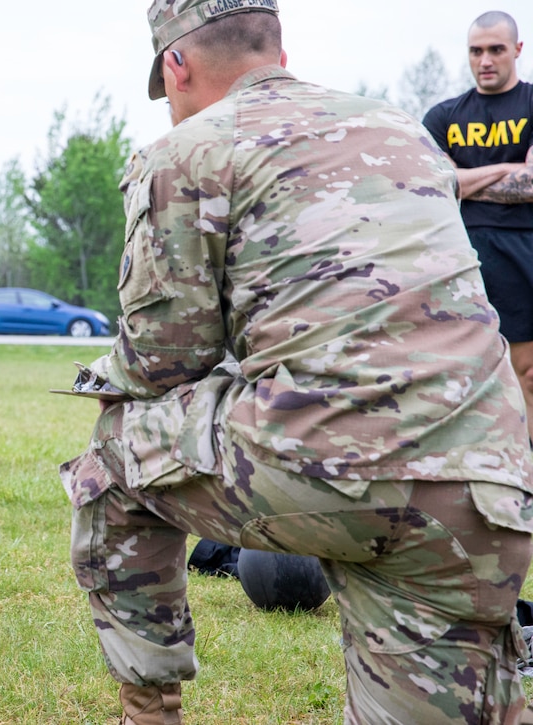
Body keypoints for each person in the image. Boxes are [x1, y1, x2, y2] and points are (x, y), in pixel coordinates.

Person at [60, 1, 533, 723]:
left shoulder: (186, 152)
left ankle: (148, 709)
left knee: (118, 447)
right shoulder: (403, 130)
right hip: (486, 486)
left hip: (332, 469)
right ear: (279, 53)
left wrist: (103, 378)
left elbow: (163, 363)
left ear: (176, 67)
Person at [423, 11, 533, 442]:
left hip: (525, 248)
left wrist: (467, 178)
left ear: (517, 50)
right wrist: (510, 168)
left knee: (526, 372)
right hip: (464, 254)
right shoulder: (443, 116)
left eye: (496, 49)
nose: (485, 59)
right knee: (471, 372)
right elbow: (438, 184)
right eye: (476, 50)